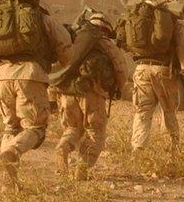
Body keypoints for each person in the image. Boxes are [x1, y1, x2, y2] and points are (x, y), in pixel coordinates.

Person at [0, 0, 71, 190]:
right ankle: (12, 153)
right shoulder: (42, 18)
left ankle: (7, 184)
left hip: (1, 76)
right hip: (30, 74)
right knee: (35, 128)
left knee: (11, 127)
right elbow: (65, 47)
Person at [50, 10, 128, 180]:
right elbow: (121, 68)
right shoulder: (104, 42)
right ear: (106, 28)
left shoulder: (73, 38)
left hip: (66, 92)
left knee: (72, 128)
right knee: (96, 131)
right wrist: (118, 88)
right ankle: (82, 167)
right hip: (92, 92)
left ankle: (62, 148)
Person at [117, 0, 184, 153]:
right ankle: (171, 151)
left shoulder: (136, 19)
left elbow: (124, 42)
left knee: (142, 111)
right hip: (164, 71)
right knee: (168, 111)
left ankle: (137, 148)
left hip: (141, 69)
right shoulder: (174, 22)